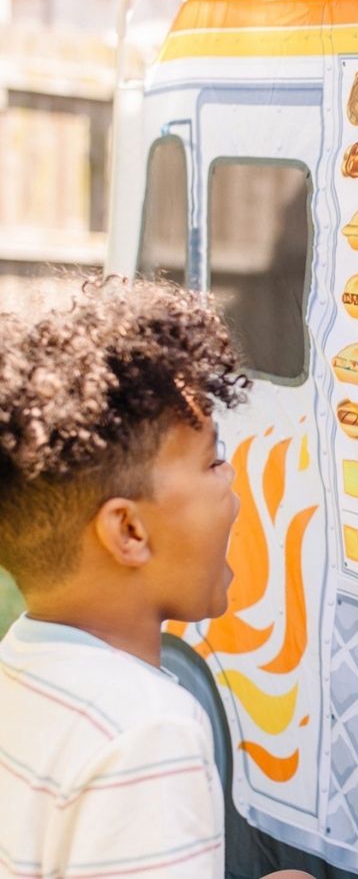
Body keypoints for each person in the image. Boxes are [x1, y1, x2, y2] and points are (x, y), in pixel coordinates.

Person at [0, 276, 252, 877]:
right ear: (129, 533)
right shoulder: (149, 732)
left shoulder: (20, 670)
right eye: (213, 460)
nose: (232, 482)